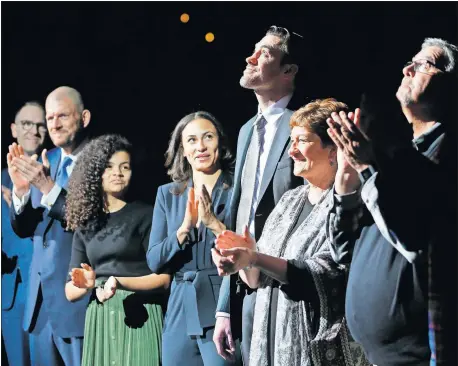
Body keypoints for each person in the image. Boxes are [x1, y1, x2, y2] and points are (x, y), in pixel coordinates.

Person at [326, 38, 457, 365]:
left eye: (425, 63)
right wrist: (345, 186)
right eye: (410, 61)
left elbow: (414, 236)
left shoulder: (446, 158)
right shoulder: (400, 159)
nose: (407, 68)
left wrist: (369, 169)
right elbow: (343, 252)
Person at [215, 98, 369, 366]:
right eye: (291, 141)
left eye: (302, 141)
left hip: (318, 349)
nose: (292, 151)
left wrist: (254, 258)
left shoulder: (351, 203)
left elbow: (321, 273)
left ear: (333, 150)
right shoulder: (289, 201)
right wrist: (242, 257)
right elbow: (255, 280)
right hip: (270, 346)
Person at [211, 25, 304, 364]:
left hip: (291, 286)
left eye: (265, 53)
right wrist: (224, 307)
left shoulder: (305, 125)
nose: (250, 57)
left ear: (288, 70)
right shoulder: (247, 130)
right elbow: (240, 217)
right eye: (255, 48)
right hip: (247, 290)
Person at [64, 134, 169, 366]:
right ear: (95, 173)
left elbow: (164, 278)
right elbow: (70, 291)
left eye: (125, 167)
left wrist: (118, 282)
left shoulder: (146, 215)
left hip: (140, 311)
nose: (118, 173)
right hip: (100, 315)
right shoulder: (85, 224)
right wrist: (85, 284)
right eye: (109, 167)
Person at [8, 86, 91, 366]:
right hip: (39, 308)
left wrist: (47, 187)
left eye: (62, 116)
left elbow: (91, 222)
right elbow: (25, 228)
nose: (53, 124)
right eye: (50, 117)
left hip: (77, 305)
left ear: (84, 118)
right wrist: (21, 193)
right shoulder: (47, 160)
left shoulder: (101, 162)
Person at [147, 111, 234, 366]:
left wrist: (214, 224)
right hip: (179, 302)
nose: (201, 147)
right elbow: (154, 260)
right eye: (192, 140)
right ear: (183, 149)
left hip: (221, 299)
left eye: (208, 137)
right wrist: (183, 230)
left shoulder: (237, 186)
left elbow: (250, 247)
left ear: (220, 142)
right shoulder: (167, 194)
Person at [2, 102, 47, 366]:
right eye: (26, 124)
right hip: (13, 291)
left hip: (51, 291)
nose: (33, 130)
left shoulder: (60, 170)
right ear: (13, 130)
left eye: (40, 124)